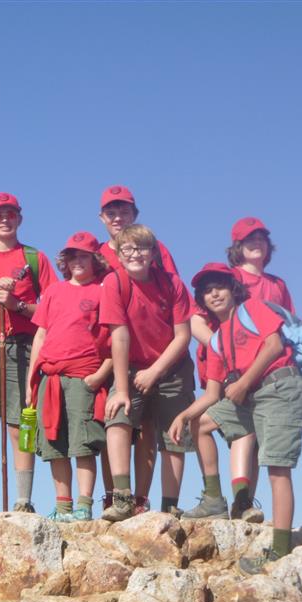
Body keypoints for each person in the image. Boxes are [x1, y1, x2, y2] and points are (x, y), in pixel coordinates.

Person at [169, 263, 302, 575]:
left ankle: (280, 549)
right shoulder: (217, 340)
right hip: (250, 396)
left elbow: (274, 345)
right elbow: (211, 395)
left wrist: (244, 382)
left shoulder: (253, 309)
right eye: (207, 291)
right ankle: (214, 498)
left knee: (277, 467)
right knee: (201, 423)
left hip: (279, 387)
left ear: (233, 289)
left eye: (219, 287)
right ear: (202, 300)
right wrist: (184, 415)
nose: (214, 294)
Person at [187, 217, 293, 521]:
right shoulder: (226, 279)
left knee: (253, 438)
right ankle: (221, 498)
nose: (256, 243)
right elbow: (196, 322)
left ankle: (243, 504)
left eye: (261, 238)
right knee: (235, 430)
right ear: (237, 246)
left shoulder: (277, 285)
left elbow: (284, 329)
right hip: (228, 372)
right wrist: (225, 351)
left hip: (268, 373)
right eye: (249, 239)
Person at [0, 192, 56, 535]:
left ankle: (23, 501)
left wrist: (18, 305)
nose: (4, 220)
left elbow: (53, 308)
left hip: (25, 344)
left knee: (23, 423)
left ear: (19, 218)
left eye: (10, 214)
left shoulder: (35, 258)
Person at [101, 225, 195, 521]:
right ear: (118, 254)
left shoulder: (172, 283)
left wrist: (155, 371)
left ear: (154, 253)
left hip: (171, 367)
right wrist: (122, 390)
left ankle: (169, 504)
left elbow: (183, 336)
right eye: (127, 249)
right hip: (131, 366)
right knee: (117, 414)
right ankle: (122, 497)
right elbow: (119, 336)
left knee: (173, 433)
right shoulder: (114, 283)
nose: (135, 254)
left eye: (142, 248)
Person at [95, 185, 180, 513]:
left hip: (153, 354)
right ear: (102, 217)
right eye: (111, 212)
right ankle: (115, 495)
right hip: (108, 352)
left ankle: (140, 500)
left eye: (124, 211)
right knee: (112, 419)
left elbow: (171, 295)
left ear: (135, 214)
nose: (118, 217)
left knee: (146, 427)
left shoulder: (154, 248)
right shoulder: (97, 254)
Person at [26, 232, 113, 522]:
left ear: (95, 259)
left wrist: (99, 375)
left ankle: (84, 505)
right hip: (50, 376)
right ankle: (63, 505)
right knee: (54, 443)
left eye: (84, 256)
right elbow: (40, 335)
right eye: (72, 256)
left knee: (83, 443)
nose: (77, 261)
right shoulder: (53, 291)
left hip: (83, 376)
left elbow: (116, 340)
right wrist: (31, 380)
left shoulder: (103, 292)